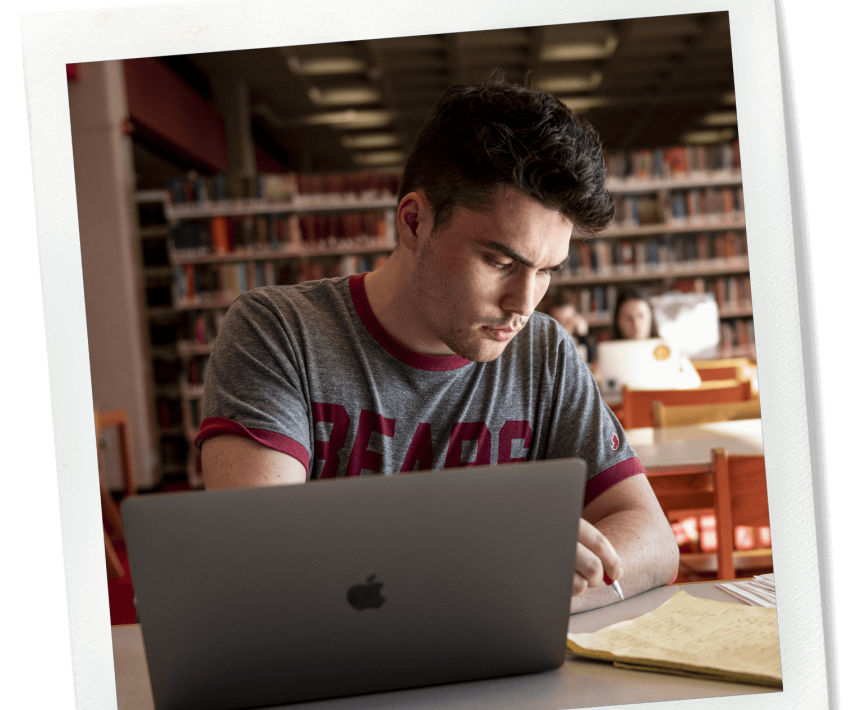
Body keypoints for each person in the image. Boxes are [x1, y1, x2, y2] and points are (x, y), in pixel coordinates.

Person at [197, 76, 679, 611]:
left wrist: (536, 588)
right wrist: (487, 569)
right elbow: (255, 555)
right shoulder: (277, 332)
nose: (524, 303)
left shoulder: (541, 351)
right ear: (414, 222)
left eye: (547, 272)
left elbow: (655, 543)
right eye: (500, 262)